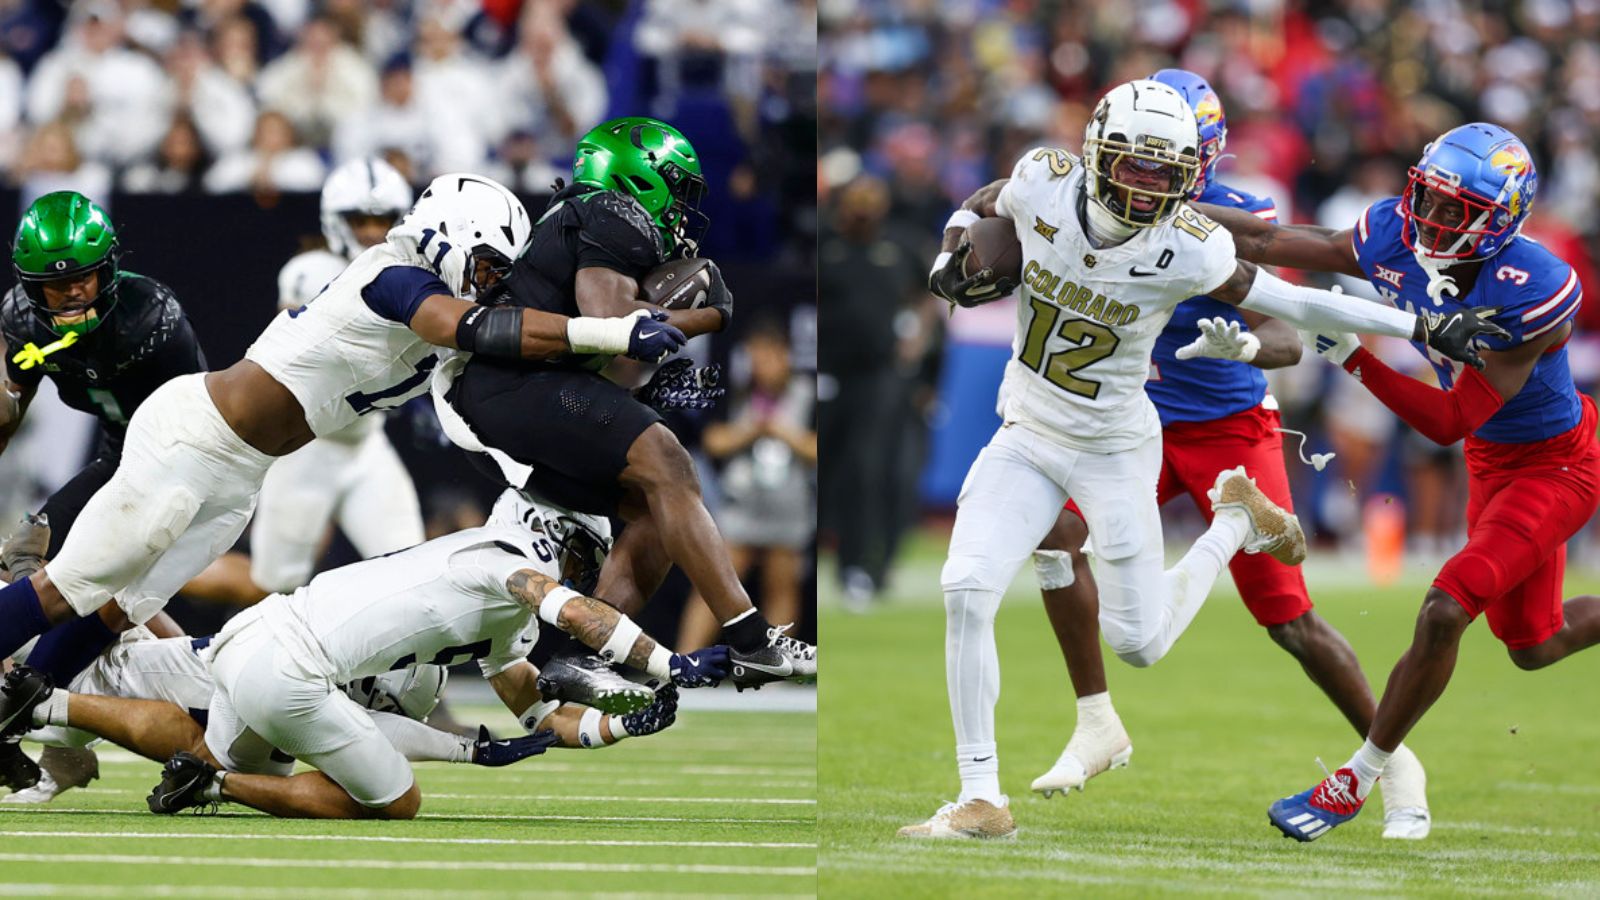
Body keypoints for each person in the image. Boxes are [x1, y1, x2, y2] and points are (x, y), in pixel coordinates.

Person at [898, 78, 1504, 840]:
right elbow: (987, 201)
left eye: (1167, 167)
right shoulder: (1043, 181)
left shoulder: (1194, 239)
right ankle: (992, 788)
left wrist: (1417, 326)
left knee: (1168, 639)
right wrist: (950, 250)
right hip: (1031, 429)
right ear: (1095, 153)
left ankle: (1235, 526)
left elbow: (1297, 311)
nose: (1149, 184)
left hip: (1163, 434)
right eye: (1133, 163)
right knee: (969, 583)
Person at [0, 172, 691, 738]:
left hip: (241, 475)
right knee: (67, 589)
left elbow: (505, 365)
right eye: (483, 265)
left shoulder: (441, 313)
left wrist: (636, 346)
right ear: (448, 241)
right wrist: (609, 330)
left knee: (120, 609)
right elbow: (477, 327)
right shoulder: (392, 275)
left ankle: (18, 707)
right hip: (192, 438)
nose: (490, 281)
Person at [1025, 70, 1430, 841]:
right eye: (1132, 151)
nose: (1144, 166)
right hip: (1128, 424)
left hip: (1225, 428)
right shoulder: (1084, 195)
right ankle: (1095, 720)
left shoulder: (1230, 220)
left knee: (1289, 622)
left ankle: (1395, 757)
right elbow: (1015, 206)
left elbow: (1287, 333)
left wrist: (1240, 344)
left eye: (1167, 153)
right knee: (1055, 535)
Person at [1198, 123, 1600, 842]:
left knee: (1445, 607)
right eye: (1430, 201)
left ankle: (1355, 779)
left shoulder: (1532, 287)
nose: (1435, 221)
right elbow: (1276, 241)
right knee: (1532, 645)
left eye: (1458, 211)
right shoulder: (1392, 230)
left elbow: (1449, 419)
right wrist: (1176, 212)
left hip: (1555, 466)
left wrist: (1353, 356)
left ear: (1501, 219)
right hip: (1492, 465)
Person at [437, 116, 816, 687]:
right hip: (511, 383)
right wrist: (707, 315)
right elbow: (610, 325)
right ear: (641, 179)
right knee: (667, 460)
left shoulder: (582, 221)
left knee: (652, 510)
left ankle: (584, 654)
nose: (681, 209)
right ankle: (752, 639)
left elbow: (619, 363)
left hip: (507, 391)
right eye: (678, 188)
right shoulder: (613, 211)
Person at [73, 488, 718, 820]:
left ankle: (50, 706)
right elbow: (578, 615)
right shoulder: (495, 564)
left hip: (268, 643)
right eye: (583, 556)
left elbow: (535, 713)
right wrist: (671, 664)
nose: (587, 571)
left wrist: (617, 726)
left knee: (208, 745)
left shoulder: (506, 611)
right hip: (290, 662)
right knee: (396, 801)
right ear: (557, 540)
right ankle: (205, 778)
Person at [0, 191, 203, 792]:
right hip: (117, 460)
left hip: (180, 470)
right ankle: (43, 726)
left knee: (114, 596)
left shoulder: (152, 320)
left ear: (107, 269)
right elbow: (9, 414)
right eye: (55, 285)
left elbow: (197, 426)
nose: (72, 293)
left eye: (84, 278)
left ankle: (194, 680)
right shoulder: (20, 318)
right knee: (24, 557)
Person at [186, 157, 426, 605]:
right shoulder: (311, 274)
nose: (373, 231)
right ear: (336, 221)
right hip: (306, 448)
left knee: (408, 569)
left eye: (383, 219)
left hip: (366, 446)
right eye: (361, 219)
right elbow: (314, 362)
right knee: (269, 587)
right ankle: (135, 581)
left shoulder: (412, 276)